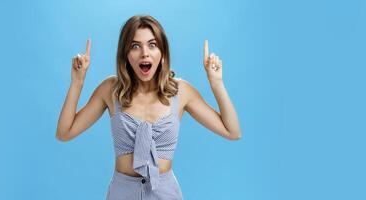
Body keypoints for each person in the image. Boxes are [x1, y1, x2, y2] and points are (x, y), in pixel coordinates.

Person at [56, 15, 242, 200]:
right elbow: (64, 132)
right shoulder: (110, 90)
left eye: (152, 45)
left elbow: (232, 131)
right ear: (126, 54)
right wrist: (77, 83)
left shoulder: (181, 91)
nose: (144, 53)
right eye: (135, 46)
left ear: (162, 52)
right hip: (122, 193)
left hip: (165, 193)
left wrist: (216, 83)